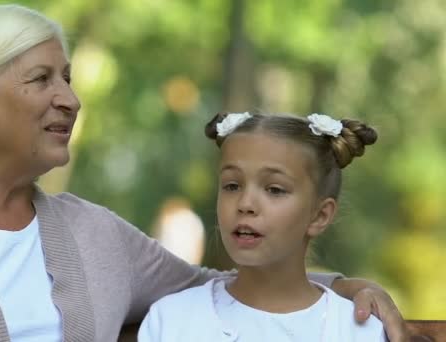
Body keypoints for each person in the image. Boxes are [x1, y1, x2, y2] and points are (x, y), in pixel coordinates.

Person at [0, 4, 406, 342]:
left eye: (67, 77)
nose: (71, 99)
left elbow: (227, 289)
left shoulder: (94, 233)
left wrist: (345, 288)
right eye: (42, 80)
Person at [138, 112, 389, 341]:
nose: (245, 204)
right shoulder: (171, 321)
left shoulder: (357, 330)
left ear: (319, 216)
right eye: (232, 186)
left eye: (274, 189)